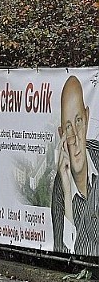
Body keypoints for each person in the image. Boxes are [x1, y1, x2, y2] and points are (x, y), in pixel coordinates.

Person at [51, 75, 99, 256]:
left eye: (78, 121)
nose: (76, 138)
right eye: (68, 127)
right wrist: (67, 192)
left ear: (86, 118)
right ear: (61, 134)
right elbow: (63, 252)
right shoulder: (60, 187)